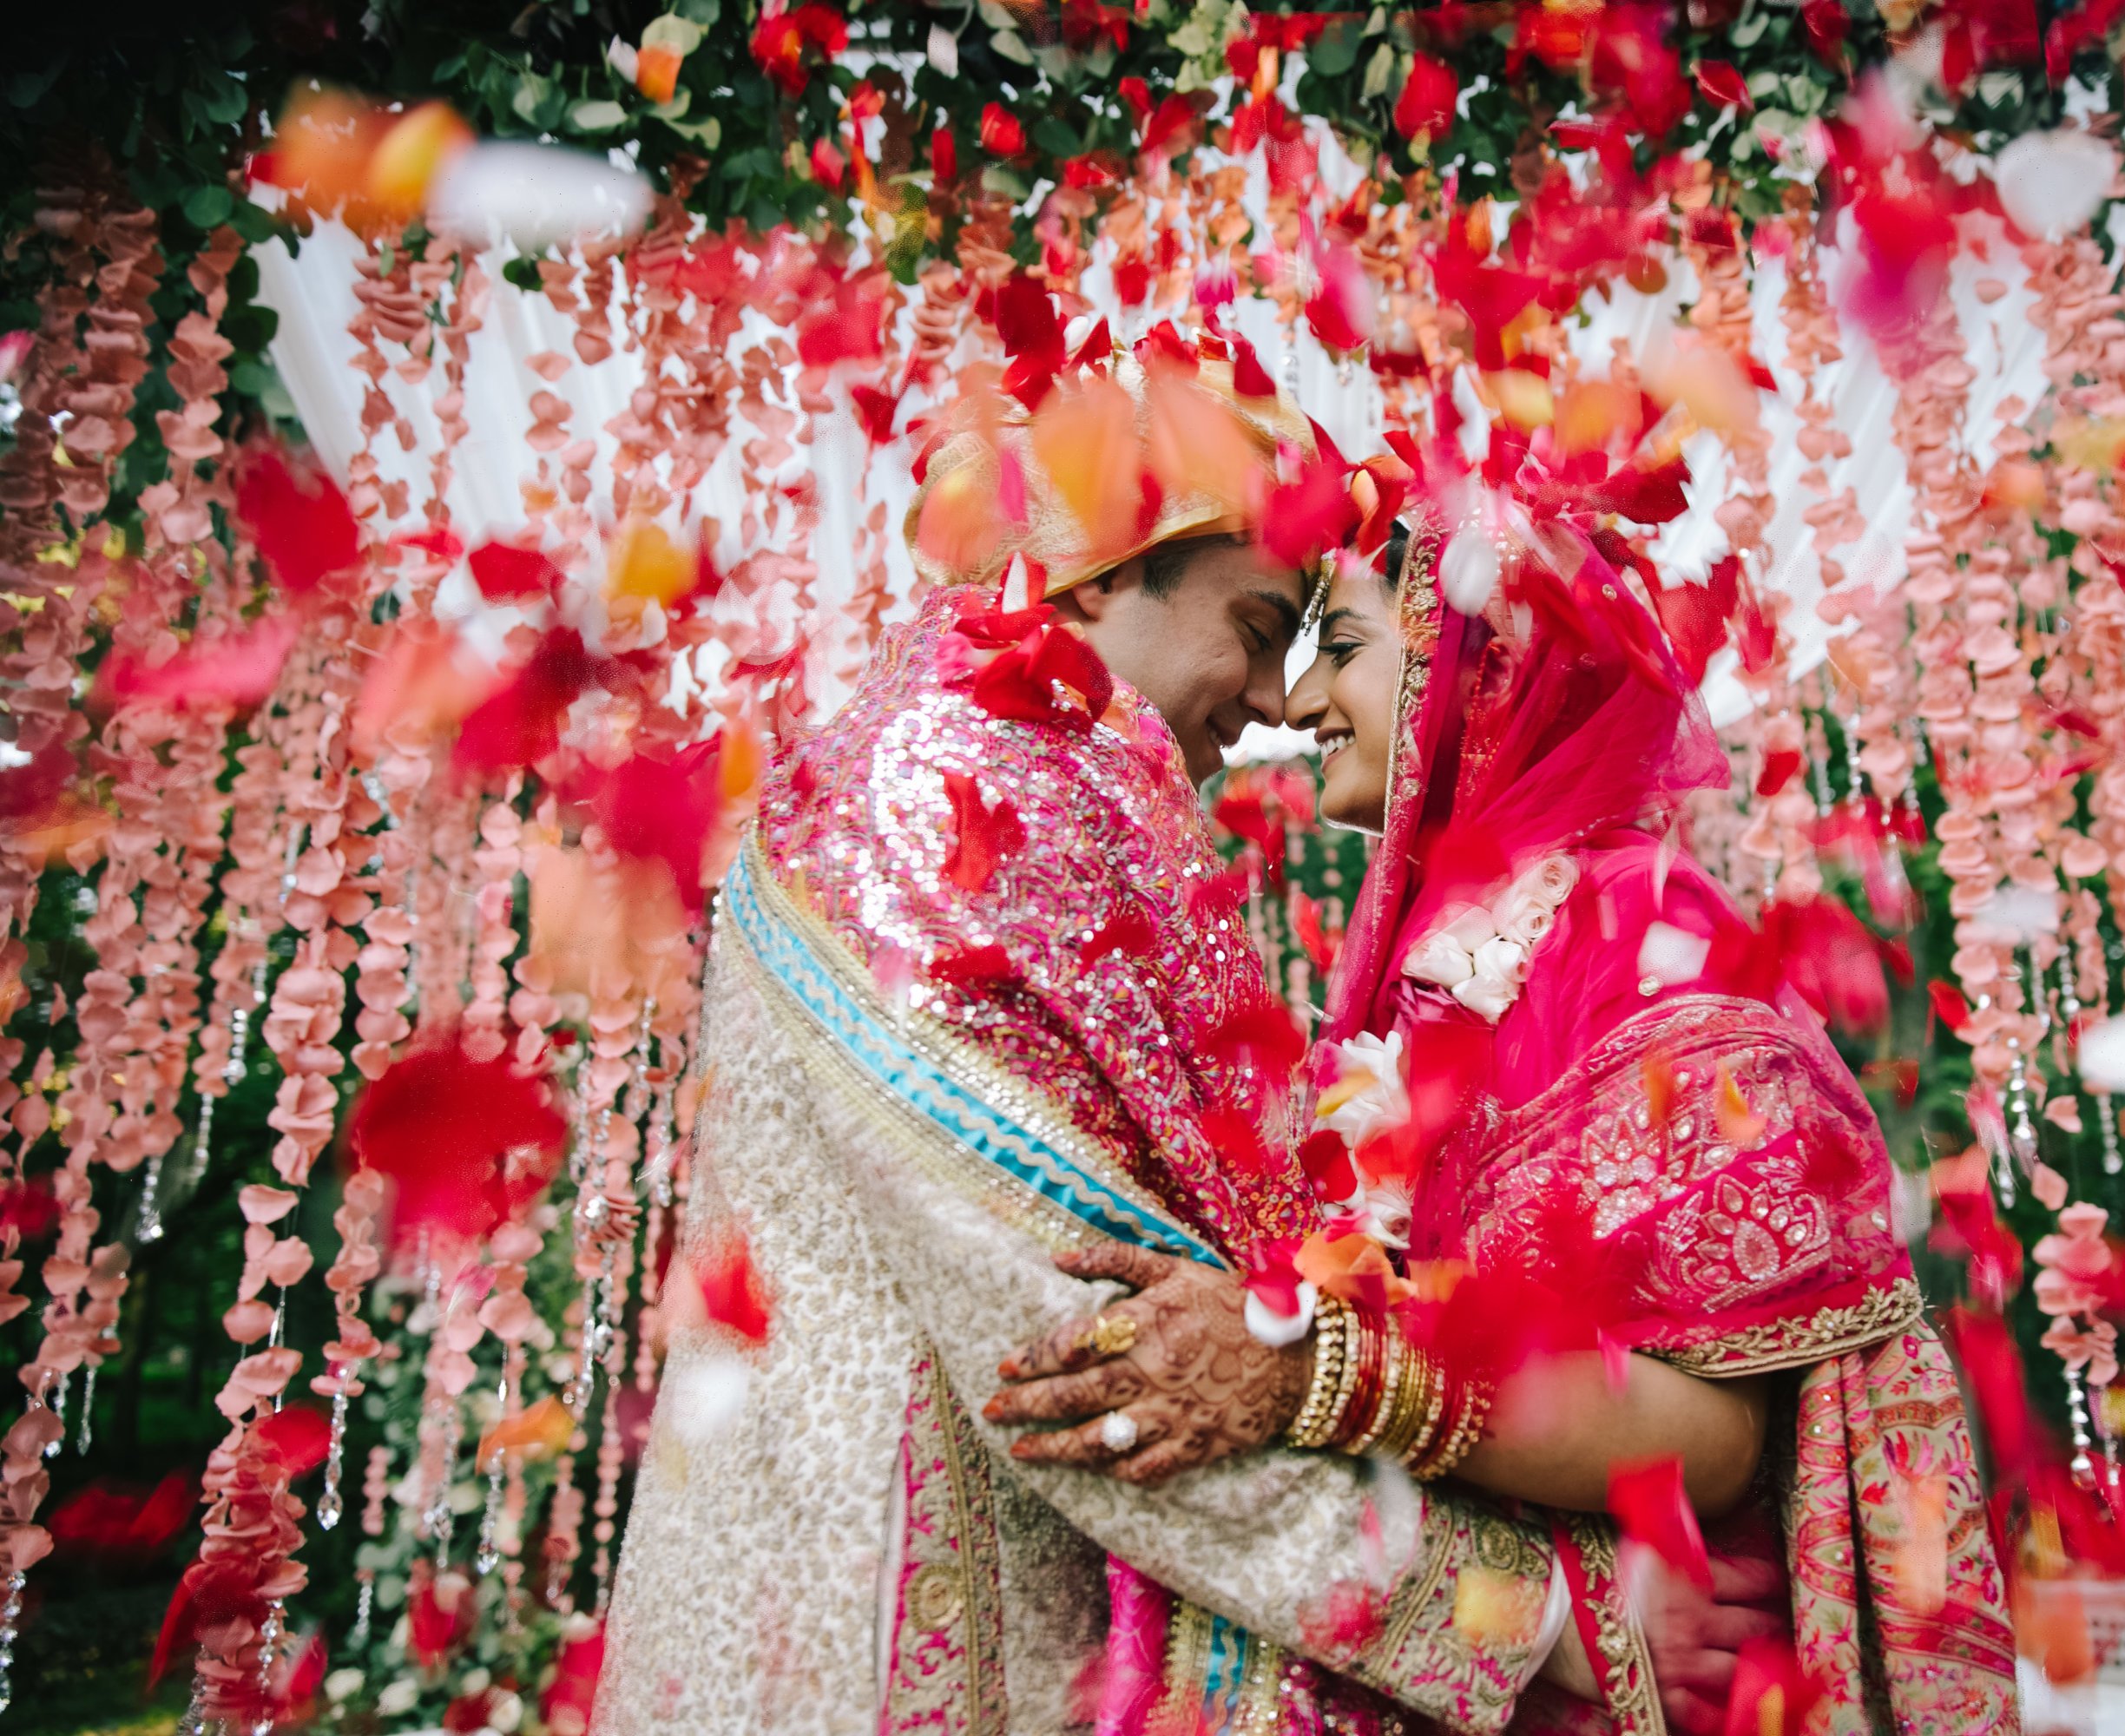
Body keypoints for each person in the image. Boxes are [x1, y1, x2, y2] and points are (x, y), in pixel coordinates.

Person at [597, 339, 1757, 1736]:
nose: (1276, 706)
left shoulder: (1024, 784)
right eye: (1264, 632)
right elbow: (1078, 1361)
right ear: (1097, 575)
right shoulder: (932, 798)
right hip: (891, 1657)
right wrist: (1525, 1616)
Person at [991, 510, 2022, 1736]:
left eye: (1344, 646)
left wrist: (1326, 1364)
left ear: (1482, 669)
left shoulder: (1637, 940)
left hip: (1645, 1678)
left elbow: (1723, 1436)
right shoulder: (1431, 974)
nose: (1299, 695)